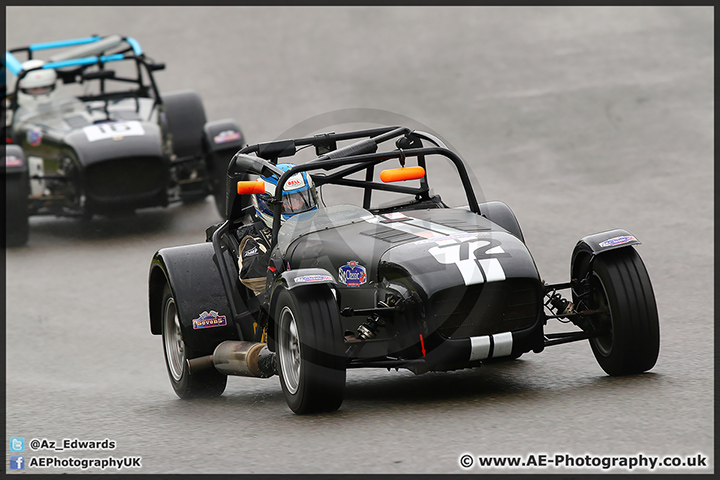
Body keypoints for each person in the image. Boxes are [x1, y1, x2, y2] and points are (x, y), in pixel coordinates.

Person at [238, 163, 319, 295]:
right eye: (288, 202)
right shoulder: (255, 241)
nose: (297, 207)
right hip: (281, 303)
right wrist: (281, 253)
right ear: (266, 205)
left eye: (301, 199)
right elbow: (249, 275)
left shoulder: (320, 228)